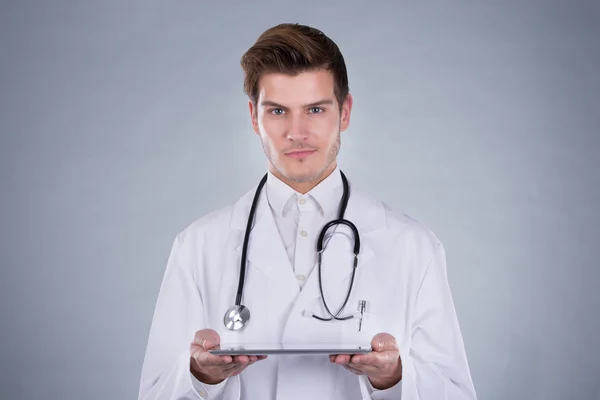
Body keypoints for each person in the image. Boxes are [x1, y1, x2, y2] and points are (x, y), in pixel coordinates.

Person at [138, 23, 477, 400]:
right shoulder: (198, 246)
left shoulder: (413, 247)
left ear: (344, 112)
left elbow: (456, 393)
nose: (296, 132)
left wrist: (393, 379)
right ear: (254, 118)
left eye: (315, 109)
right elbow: (153, 392)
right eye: (278, 111)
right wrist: (201, 376)